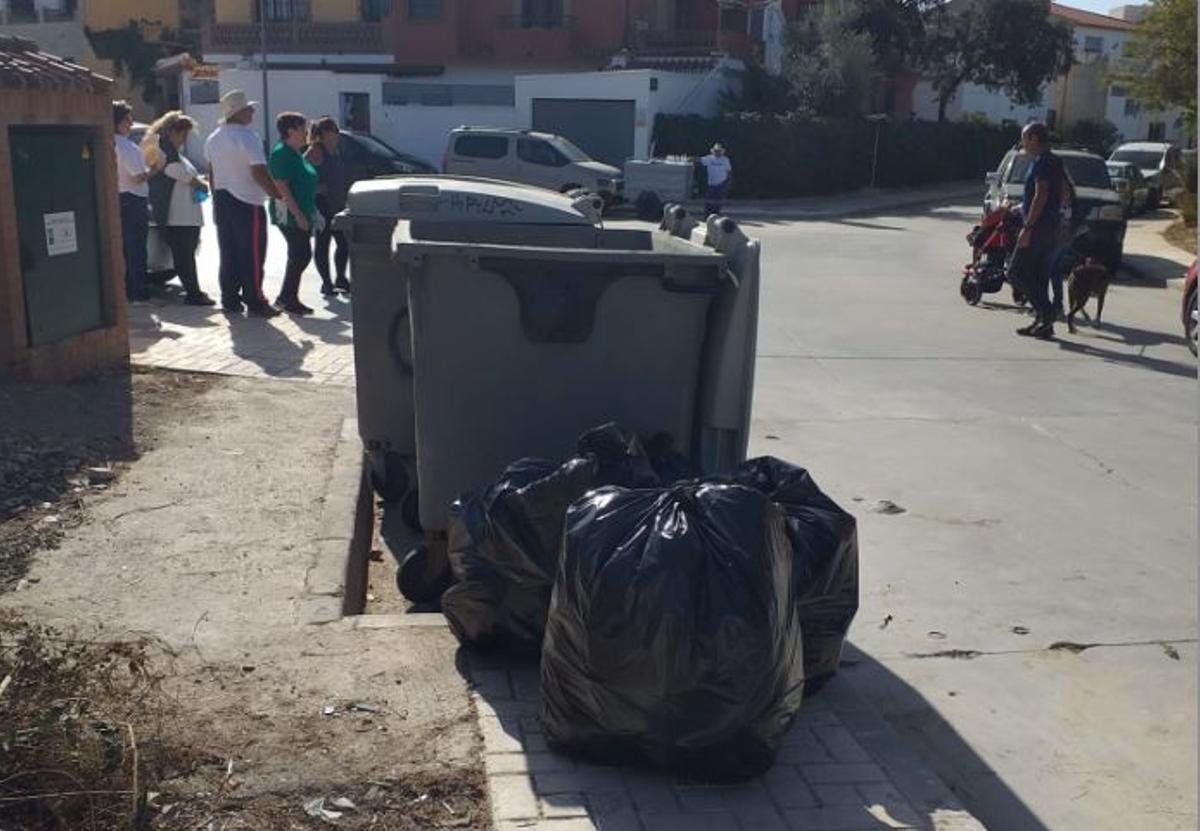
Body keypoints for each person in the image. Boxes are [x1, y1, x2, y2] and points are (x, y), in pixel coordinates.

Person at [205, 90, 281, 317]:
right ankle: (255, 299)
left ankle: (230, 298)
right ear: (239, 112)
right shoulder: (248, 137)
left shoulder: (213, 137)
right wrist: (277, 195)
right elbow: (258, 171)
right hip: (247, 200)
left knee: (228, 252)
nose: (252, 111)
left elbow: (212, 173)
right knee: (253, 253)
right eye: (248, 108)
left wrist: (216, 198)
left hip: (222, 197)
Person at [144, 111, 215, 306]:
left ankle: (194, 292)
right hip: (177, 218)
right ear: (171, 131)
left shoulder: (176, 153)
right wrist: (197, 182)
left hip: (188, 216)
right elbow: (172, 170)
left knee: (187, 257)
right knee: (184, 258)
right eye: (182, 133)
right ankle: (194, 294)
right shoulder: (164, 152)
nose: (185, 138)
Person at [1010, 122, 1064, 340]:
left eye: (1024, 138)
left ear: (1033, 138)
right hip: (1051, 226)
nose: (1022, 143)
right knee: (1037, 275)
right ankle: (1043, 323)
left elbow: (1040, 195)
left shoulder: (1042, 163)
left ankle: (1048, 313)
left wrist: (1028, 227)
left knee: (1016, 272)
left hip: (1039, 227)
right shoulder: (1055, 161)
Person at [268, 112, 319, 315]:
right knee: (301, 254)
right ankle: (287, 298)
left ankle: (287, 297)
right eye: (302, 128)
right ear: (290, 131)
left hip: (303, 210)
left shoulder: (297, 152)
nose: (306, 132)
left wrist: (312, 212)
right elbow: (282, 187)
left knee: (298, 254)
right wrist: (298, 215)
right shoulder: (281, 153)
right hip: (288, 213)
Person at [114, 100, 158, 302]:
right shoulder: (126, 147)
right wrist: (155, 168)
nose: (131, 123)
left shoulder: (108, 143)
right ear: (119, 122)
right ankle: (139, 292)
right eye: (128, 119)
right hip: (133, 198)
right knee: (136, 248)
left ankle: (128, 289)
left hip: (118, 198)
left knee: (124, 248)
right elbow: (138, 176)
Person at [305, 117, 351, 296]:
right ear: (323, 133)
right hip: (321, 204)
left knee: (344, 243)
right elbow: (302, 173)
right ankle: (326, 282)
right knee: (322, 244)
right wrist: (316, 187)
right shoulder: (316, 150)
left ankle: (341, 277)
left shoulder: (335, 151)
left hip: (337, 203)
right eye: (333, 130)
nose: (337, 133)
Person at [700, 143, 733, 216]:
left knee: (718, 201)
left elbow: (729, 171)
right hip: (711, 183)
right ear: (713, 151)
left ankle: (716, 214)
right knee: (709, 200)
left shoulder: (725, 160)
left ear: (721, 151)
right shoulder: (709, 158)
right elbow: (700, 159)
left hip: (721, 183)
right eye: (716, 150)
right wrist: (689, 158)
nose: (717, 152)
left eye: (719, 151)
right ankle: (707, 214)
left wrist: (728, 183)